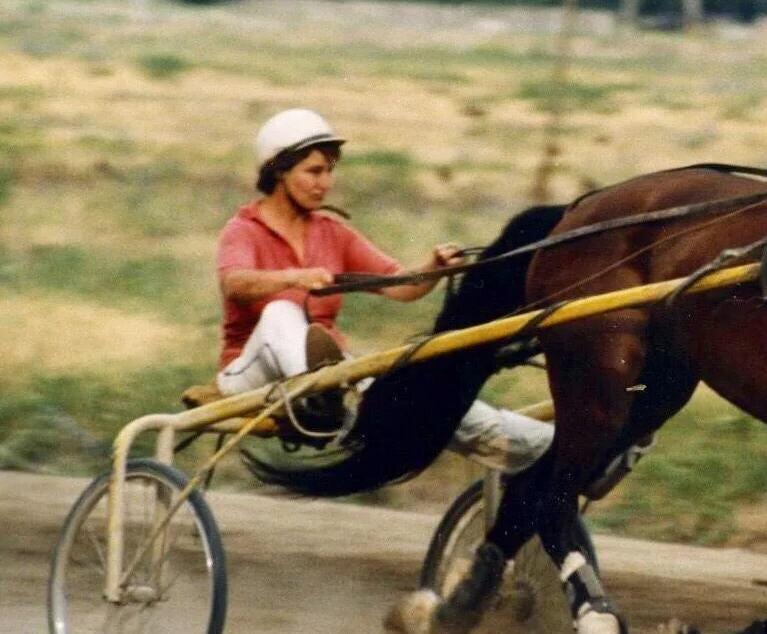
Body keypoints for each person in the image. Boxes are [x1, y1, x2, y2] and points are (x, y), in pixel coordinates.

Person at [215, 107, 553, 470]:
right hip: (249, 375)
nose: (325, 183)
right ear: (278, 171)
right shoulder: (243, 229)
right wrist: (293, 277)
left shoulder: (333, 233)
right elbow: (234, 284)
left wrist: (433, 268)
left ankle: (545, 447)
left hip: (334, 376)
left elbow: (400, 286)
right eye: (314, 171)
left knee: (422, 388)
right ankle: (326, 399)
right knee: (280, 313)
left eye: (329, 171)